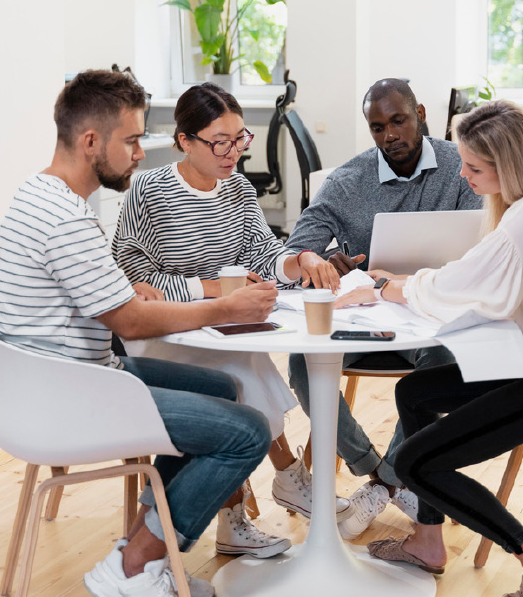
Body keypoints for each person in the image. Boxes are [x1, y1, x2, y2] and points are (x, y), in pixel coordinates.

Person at [0, 69, 279, 597]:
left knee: (223, 388)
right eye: (130, 140)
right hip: (72, 395)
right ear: (91, 142)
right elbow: (127, 319)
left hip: (56, 380)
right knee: (246, 430)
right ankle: (134, 563)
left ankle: (153, 556)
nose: (138, 152)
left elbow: (114, 297)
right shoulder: (65, 219)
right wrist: (222, 308)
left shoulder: (41, 196)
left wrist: (133, 292)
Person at [335, 99, 523, 597]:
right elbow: (475, 282)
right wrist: (408, 288)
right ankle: (428, 541)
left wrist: (385, 286)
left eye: (475, 168)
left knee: (417, 463)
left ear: (511, 165)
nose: (463, 174)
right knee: (415, 391)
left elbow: (456, 283)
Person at [112, 82, 347, 558]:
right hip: (162, 331)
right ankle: (284, 482)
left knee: (243, 360)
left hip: (219, 327)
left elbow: (263, 253)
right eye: (220, 141)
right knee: (240, 368)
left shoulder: (238, 189)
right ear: (185, 141)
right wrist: (216, 290)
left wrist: (300, 261)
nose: (234, 152)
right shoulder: (149, 191)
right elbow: (132, 277)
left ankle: (243, 512)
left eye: (240, 139)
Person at [286, 78, 482, 538]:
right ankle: (379, 472)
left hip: (432, 318)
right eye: (377, 128)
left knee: (441, 366)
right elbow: (297, 251)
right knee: (301, 365)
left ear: (421, 115)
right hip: (367, 319)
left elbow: (477, 252)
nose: (389, 135)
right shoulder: (348, 181)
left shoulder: (461, 167)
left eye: (398, 121)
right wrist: (318, 259)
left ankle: (386, 481)